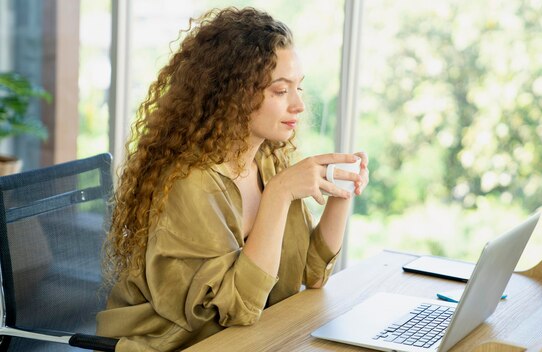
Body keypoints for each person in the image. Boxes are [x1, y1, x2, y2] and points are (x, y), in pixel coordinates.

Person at [96, 7, 369, 352]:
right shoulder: (189, 184)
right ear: (234, 93)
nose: (299, 104)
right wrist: (280, 194)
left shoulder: (268, 161)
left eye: (299, 88)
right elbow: (238, 308)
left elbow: (312, 274)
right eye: (281, 91)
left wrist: (342, 191)